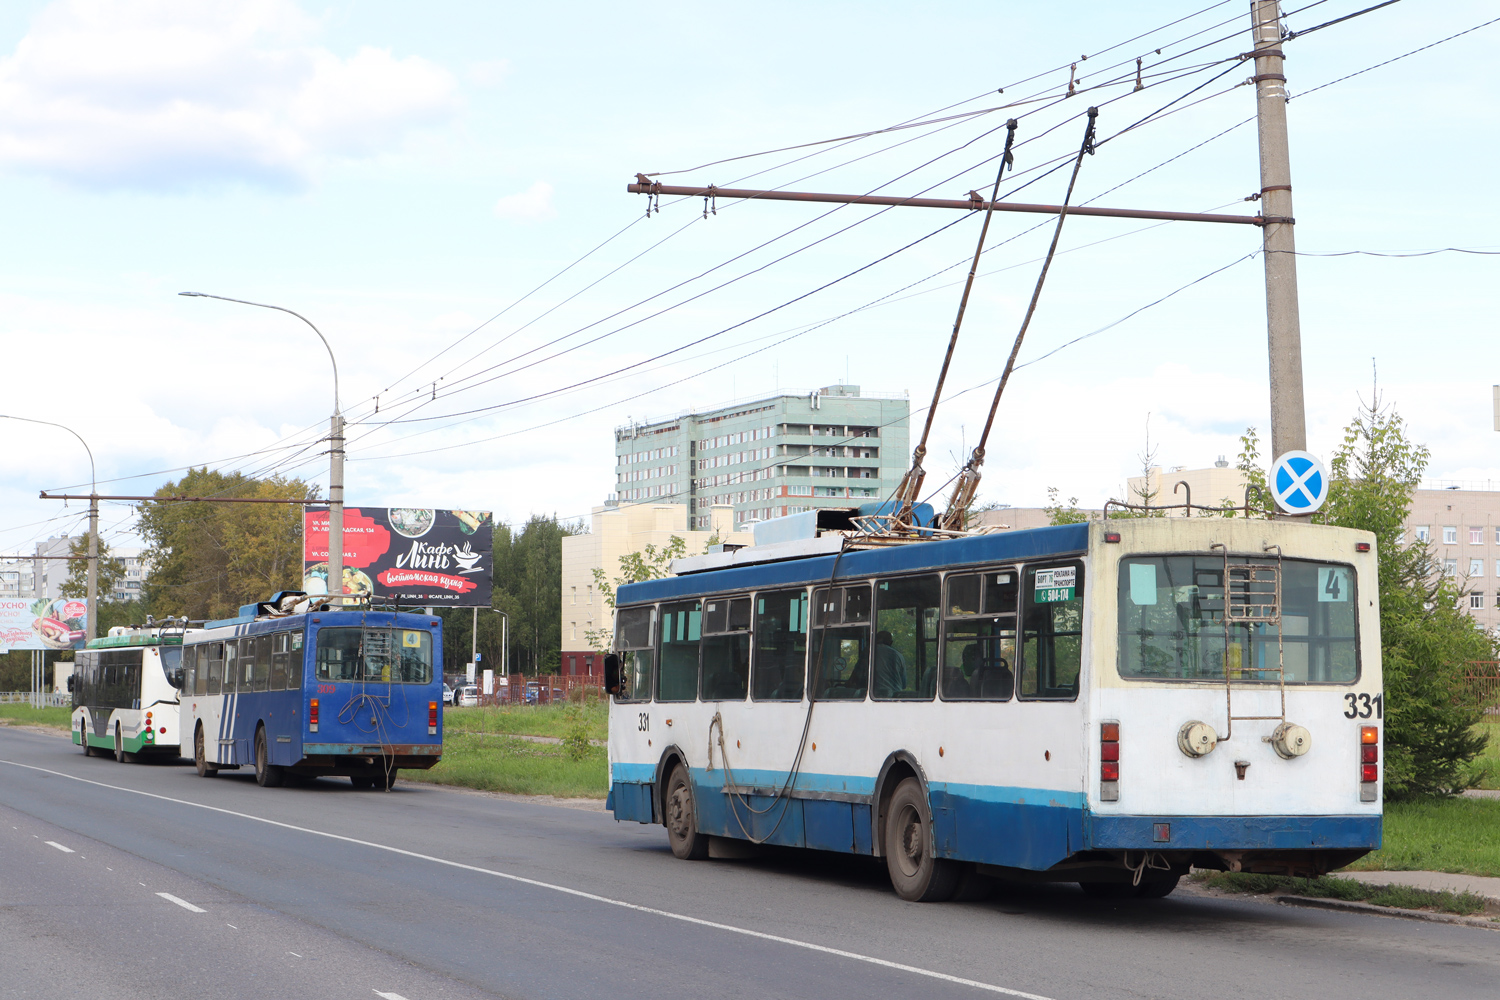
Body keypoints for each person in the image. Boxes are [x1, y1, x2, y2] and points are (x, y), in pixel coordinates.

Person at [873, 629, 908, 698]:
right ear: (891, 642)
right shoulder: (898, 655)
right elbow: (904, 684)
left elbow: (857, 677)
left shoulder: (870, 653)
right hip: (897, 696)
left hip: (877, 696)